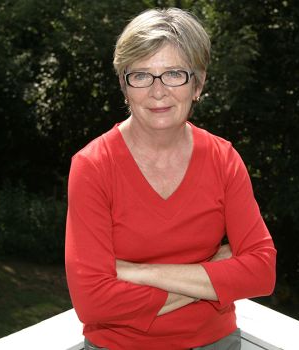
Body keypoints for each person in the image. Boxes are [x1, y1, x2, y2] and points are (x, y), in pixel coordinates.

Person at [65, 7, 276, 350]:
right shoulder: (93, 166)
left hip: (213, 341)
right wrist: (211, 273)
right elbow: (92, 302)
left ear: (198, 83)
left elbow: (261, 272)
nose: (158, 91)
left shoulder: (223, 159)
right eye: (142, 75)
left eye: (174, 74)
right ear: (124, 84)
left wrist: (137, 272)